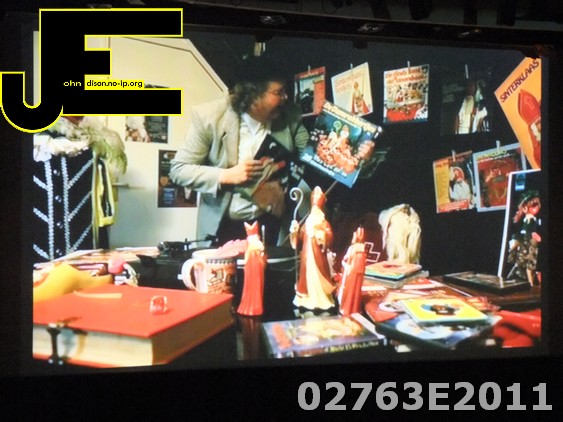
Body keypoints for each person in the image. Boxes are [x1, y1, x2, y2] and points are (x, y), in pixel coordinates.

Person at [169, 60, 309, 246]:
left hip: (270, 224)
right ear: (253, 94)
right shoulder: (210, 117)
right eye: (279, 92)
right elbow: (178, 170)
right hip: (224, 226)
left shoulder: (289, 116)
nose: (285, 97)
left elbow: (312, 155)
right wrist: (226, 175)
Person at [290, 186, 336, 311]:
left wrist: (321, 236)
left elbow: (329, 236)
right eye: (313, 208)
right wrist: (294, 231)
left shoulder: (324, 223)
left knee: (318, 276)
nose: (315, 211)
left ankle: (319, 297)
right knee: (306, 276)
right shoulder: (307, 222)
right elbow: (299, 238)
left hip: (318, 256)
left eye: (317, 209)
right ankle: (307, 297)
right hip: (307, 255)